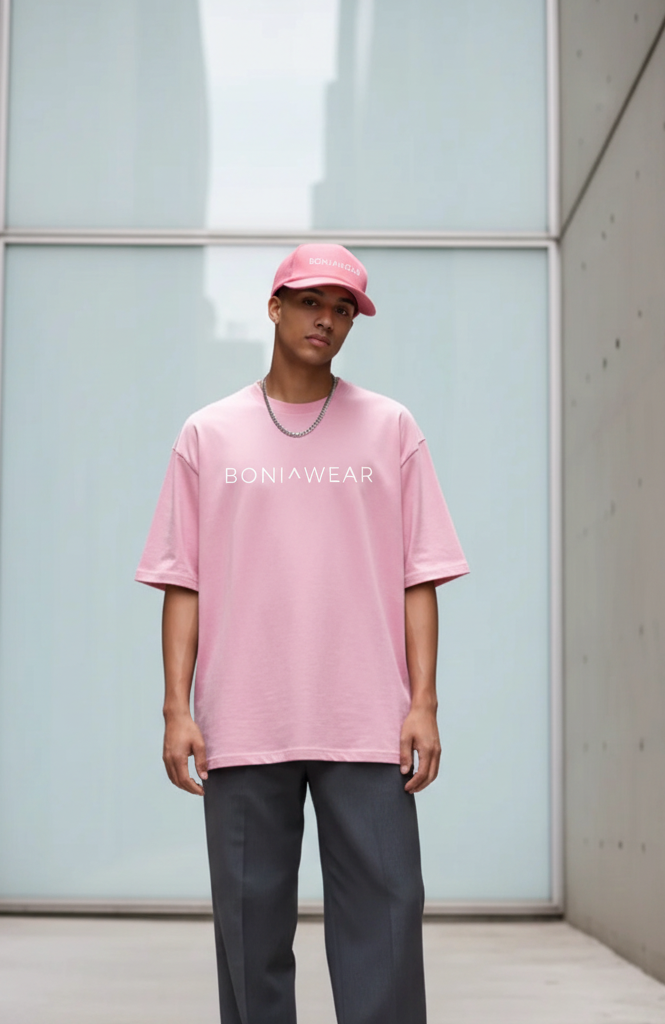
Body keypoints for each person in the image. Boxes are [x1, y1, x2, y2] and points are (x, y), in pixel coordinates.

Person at [135, 243, 470, 1024]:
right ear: (276, 306)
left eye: (344, 307)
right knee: (250, 938)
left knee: (387, 922)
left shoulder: (391, 427)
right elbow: (182, 581)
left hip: (368, 724)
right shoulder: (207, 434)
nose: (328, 319)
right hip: (243, 722)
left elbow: (419, 577)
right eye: (313, 301)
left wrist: (423, 704)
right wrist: (175, 709)